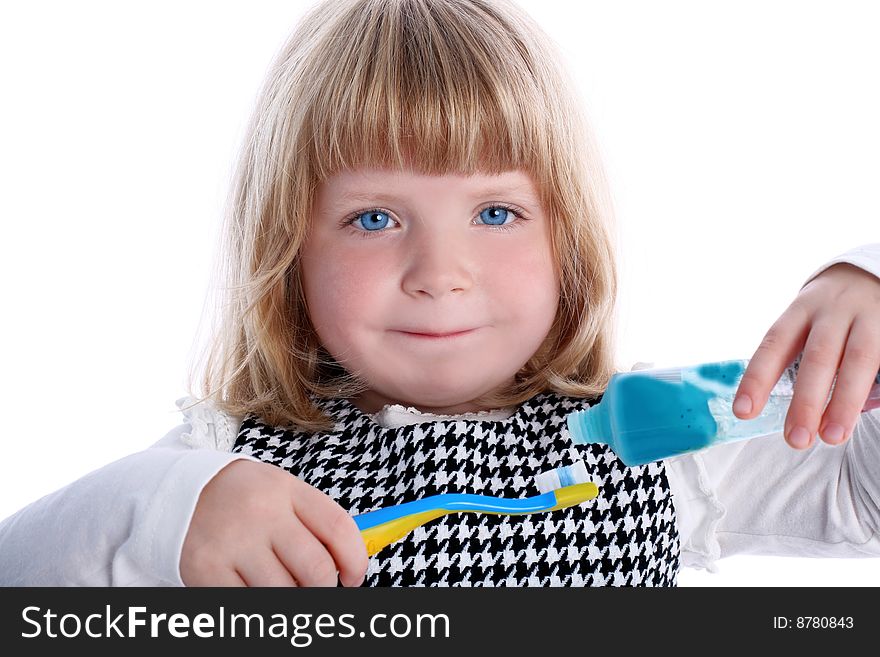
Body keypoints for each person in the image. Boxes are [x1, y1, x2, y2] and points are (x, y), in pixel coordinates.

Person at [1, 0, 879, 587]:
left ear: (564, 239)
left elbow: (862, 494)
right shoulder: (226, 460)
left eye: (496, 211)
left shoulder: (656, 433)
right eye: (375, 219)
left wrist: (870, 281)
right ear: (289, 250)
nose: (440, 271)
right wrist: (164, 511)